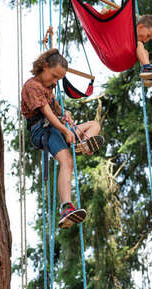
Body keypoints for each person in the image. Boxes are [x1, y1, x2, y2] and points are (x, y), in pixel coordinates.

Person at [21, 48, 104, 229]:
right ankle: (66, 207)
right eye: (54, 76)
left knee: (94, 125)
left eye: (58, 79)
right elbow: (47, 113)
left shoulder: (49, 87)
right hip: (43, 131)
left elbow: (56, 111)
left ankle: (83, 146)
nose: (55, 81)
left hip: (56, 128)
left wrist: (65, 114)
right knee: (66, 161)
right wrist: (65, 130)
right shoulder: (32, 86)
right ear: (44, 67)